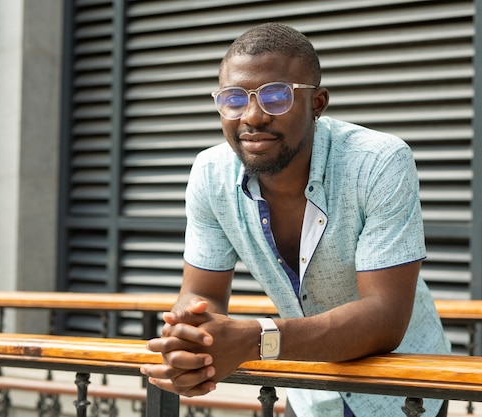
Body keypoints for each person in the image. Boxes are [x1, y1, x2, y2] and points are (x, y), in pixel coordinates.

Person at [140, 22, 451, 417]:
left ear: (317, 104)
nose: (252, 116)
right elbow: (204, 293)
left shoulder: (379, 161)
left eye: (276, 97)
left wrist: (257, 339)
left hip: (401, 390)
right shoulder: (210, 173)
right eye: (233, 99)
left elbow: (384, 316)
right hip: (310, 389)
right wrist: (193, 334)